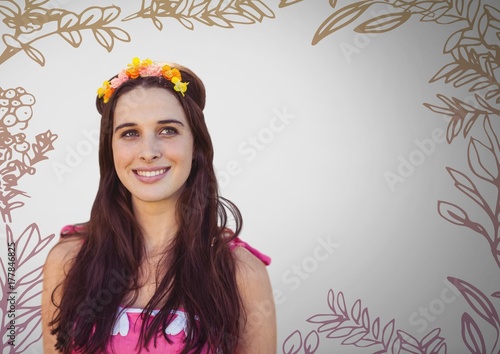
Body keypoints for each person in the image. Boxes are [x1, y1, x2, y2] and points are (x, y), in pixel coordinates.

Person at [41, 57, 276, 353]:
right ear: (110, 150)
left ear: (196, 146)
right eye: (129, 133)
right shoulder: (68, 260)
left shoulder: (240, 272)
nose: (148, 152)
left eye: (168, 130)